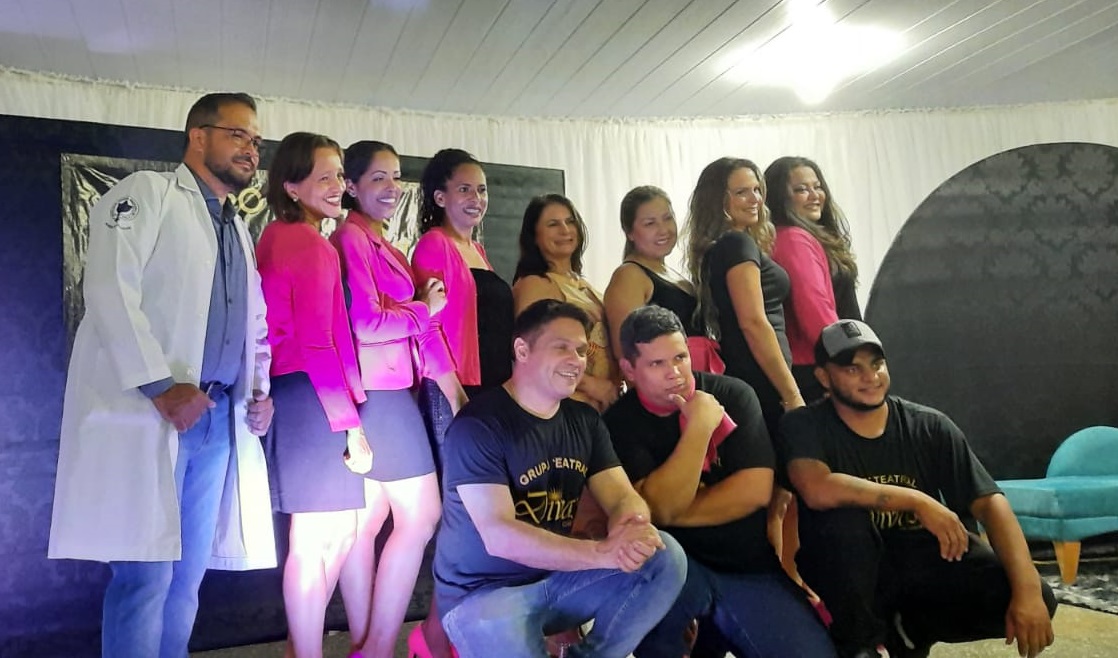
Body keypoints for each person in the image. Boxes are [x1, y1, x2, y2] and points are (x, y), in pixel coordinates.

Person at [48, 92, 275, 658]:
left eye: (256, 140)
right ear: (198, 136)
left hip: (216, 418)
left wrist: (259, 390)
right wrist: (160, 385)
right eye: (238, 135)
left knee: (185, 579)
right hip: (155, 412)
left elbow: (254, 323)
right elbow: (109, 287)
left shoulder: (236, 229)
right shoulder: (147, 194)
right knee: (144, 577)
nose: (251, 149)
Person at [780, 319, 1057, 658]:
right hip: (846, 568)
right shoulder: (803, 424)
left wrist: (1027, 592)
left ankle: (911, 630)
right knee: (843, 521)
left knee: (1036, 597)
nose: (870, 377)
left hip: (918, 565)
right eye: (852, 369)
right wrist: (917, 501)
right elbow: (817, 487)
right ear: (824, 377)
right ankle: (860, 647)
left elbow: (989, 503)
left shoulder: (929, 425)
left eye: (877, 364)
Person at [433, 299, 687, 657]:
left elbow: (620, 496)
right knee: (494, 617)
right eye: (561, 347)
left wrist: (633, 526)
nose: (576, 360)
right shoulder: (478, 425)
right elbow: (500, 536)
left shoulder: (584, 421)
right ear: (522, 350)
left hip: (555, 580)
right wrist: (602, 553)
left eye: (581, 350)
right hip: (484, 596)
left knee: (664, 556)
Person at [604, 305, 836, 658]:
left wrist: (669, 509)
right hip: (675, 571)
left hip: (747, 566)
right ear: (629, 370)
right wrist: (700, 426)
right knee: (653, 566)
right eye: (657, 364)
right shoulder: (619, 422)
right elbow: (657, 511)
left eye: (680, 357)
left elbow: (755, 491)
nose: (675, 373)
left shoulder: (734, 394)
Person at [333, 141, 456, 658]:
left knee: (368, 525)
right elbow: (365, 323)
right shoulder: (352, 239)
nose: (391, 188)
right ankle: (378, 646)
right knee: (422, 516)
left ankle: (367, 643)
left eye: (396, 176)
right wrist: (423, 309)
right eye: (378, 178)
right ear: (351, 186)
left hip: (386, 390)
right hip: (381, 394)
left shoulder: (380, 243)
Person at [256, 132, 372, 658]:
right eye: (323, 176)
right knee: (316, 539)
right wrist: (350, 423)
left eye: (339, 175)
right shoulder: (306, 243)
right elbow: (318, 342)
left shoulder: (281, 237)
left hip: (302, 394)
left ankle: (300, 647)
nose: (336, 186)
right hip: (310, 396)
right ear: (291, 186)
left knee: (339, 532)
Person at [410, 148, 515, 657]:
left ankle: (451, 635)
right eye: (465, 189)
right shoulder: (435, 245)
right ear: (439, 196)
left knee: (484, 518)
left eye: (482, 189)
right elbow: (426, 326)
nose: (476, 198)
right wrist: (454, 393)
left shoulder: (477, 250)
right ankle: (438, 640)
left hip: (489, 393)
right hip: (454, 392)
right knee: (464, 517)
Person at [684, 156, 804, 581]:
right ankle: (778, 582)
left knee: (777, 495)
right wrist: (791, 394)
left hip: (756, 376)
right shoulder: (736, 245)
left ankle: (781, 580)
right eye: (741, 192)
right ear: (719, 200)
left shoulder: (730, 246)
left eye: (756, 189)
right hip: (761, 379)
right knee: (774, 492)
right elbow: (754, 322)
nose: (754, 198)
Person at [512, 193, 622, 413]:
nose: (565, 230)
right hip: (566, 407)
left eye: (570, 221)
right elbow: (534, 353)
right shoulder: (535, 283)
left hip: (602, 406)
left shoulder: (583, 284)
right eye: (553, 224)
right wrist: (592, 386)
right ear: (534, 236)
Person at [765, 156, 861, 403]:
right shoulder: (794, 240)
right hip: (820, 367)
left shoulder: (797, 237)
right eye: (801, 190)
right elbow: (814, 311)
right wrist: (851, 364)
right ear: (780, 198)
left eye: (817, 187)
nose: (814, 195)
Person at [603, 185, 723, 375]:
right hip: (669, 383)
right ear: (630, 232)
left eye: (668, 218)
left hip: (697, 377)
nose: (663, 230)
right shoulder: (629, 276)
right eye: (650, 223)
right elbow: (626, 353)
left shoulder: (673, 273)